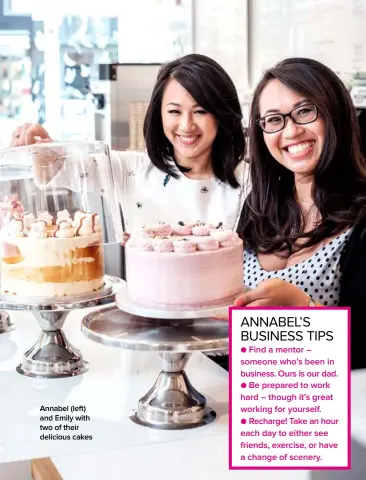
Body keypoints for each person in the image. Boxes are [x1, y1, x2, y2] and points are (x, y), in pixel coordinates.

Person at [226, 57, 366, 371]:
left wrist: (303, 309)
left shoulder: (361, 219)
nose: (290, 131)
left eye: (304, 111)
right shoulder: (260, 206)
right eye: (274, 120)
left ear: (336, 115)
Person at [10, 54, 248, 233]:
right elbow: (63, 167)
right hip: (140, 299)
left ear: (221, 115)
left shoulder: (249, 180)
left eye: (201, 111)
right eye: (174, 111)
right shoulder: (129, 170)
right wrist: (42, 149)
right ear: (159, 115)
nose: (186, 125)